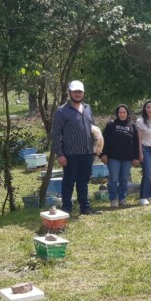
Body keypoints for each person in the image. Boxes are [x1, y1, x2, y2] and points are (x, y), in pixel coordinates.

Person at [51, 80, 100, 215]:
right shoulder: (62, 111)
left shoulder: (88, 108)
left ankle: (85, 207)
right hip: (70, 153)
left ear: (83, 93)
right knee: (69, 181)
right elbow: (55, 134)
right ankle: (67, 208)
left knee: (83, 181)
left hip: (87, 152)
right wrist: (60, 154)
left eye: (80, 92)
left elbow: (93, 130)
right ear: (69, 93)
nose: (77, 94)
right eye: (75, 92)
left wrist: (96, 148)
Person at [100, 104, 140, 208]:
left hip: (127, 158)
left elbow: (136, 142)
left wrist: (136, 157)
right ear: (117, 114)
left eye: (124, 112)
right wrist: (103, 154)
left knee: (124, 179)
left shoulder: (132, 125)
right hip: (113, 157)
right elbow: (104, 140)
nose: (122, 114)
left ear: (127, 113)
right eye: (120, 112)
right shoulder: (111, 125)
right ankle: (113, 199)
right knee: (113, 178)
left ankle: (122, 198)